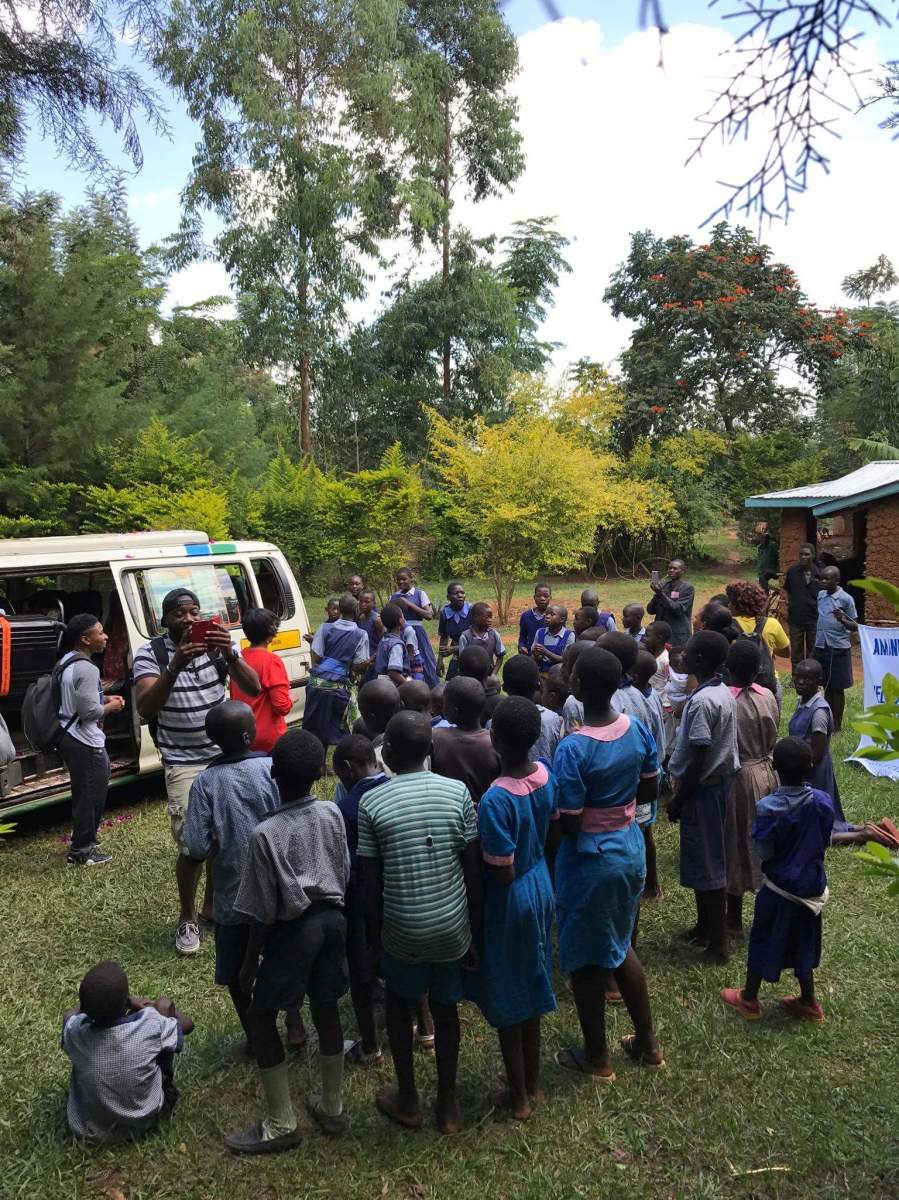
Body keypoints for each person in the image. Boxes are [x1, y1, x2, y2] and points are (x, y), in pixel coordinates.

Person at [226, 730, 351, 1152]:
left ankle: (281, 1124)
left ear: (273, 774)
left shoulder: (265, 833)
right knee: (326, 1006)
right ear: (320, 773)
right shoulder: (332, 812)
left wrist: (249, 963)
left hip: (295, 931)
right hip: (334, 920)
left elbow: (262, 911)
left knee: (261, 1017)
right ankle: (332, 1108)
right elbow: (343, 870)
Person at [358, 711, 481, 1135]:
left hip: (401, 928)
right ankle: (448, 1105)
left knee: (399, 1001)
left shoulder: (372, 802)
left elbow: (371, 884)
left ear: (387, 754)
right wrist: (474, 931)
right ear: (430, 750)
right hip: (452, 927)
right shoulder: (457, 792)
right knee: (446, 1010)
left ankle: (408, 1098)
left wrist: (376, 941)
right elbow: (472, 869)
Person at [552, 649, 664, 1078]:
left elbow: (570, 818)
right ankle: (647, 1044)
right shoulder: (636, 729)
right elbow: (650, 788)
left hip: (590, 858)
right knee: (619, 945)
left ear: (578, 687)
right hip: (629, 846)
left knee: (585, 961)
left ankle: (596, 1057)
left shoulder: (573, 748)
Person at [134, 588, 261, 956]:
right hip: (182, 761)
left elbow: (253, 687)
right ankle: (187, 917)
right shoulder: (150, 654)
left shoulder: (219, 648)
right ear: (164, 620)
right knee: (193, 846)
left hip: (225, 756)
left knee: (224, 836)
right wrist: (174, 665)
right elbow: (145, 708)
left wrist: (230, 654)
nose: (188, 619)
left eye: (193, 612)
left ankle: (211, 907)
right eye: (179, 613)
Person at [182, 701, 305, 1057]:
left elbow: (197, 846)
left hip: (234, 895)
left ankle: (257, 1037)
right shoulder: (271, 767)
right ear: (250, 735)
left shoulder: (205, 782)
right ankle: (295, 1022)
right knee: (282, 955)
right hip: (281, 887)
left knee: (237, 971)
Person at [467, 697, 559, 1120]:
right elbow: (553, 833)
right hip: (540, 883)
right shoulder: (545, 775)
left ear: (495, 740)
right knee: (533, 977)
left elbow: (501, 873)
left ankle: (518, 1096)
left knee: (508, 993)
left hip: (512, 897)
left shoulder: (495, 800)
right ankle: (533, 1083)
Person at [720, 737, 834, 1023]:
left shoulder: (769, 807)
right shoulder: (823, 802)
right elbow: (826, 840)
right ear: (810, 766)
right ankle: (808, 1000)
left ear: (775, 768)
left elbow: (765, 851)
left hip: (779, 889)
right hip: (811, 888)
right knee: (804, 942)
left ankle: (749, 998)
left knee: (762, 938)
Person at [667, 631, 740, 965]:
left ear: (698, 660)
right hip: (714, 787)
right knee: (703, 860)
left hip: (703, 790)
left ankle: (718, 945)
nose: (680, 656)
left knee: (710, 866)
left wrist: (680, 798)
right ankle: (704, 928)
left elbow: (698, 756)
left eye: (686, 653)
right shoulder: (719, 691)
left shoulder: (702, 702)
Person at [61, 961, 193, 1143]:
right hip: (145, 1120)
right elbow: (188, 1025)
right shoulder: (150, 1025)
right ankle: (165, 1085)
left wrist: (87, 1005)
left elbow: (68, 1016)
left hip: (87, 1127)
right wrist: (161, 1009)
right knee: (164, 1005)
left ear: (84, 1009)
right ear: (125, 1003)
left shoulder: (75, 1033)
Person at [332, 734, 388, 1066]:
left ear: (349, 769)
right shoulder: (396, 789)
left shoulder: (347, 808)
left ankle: (370, 1046)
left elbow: (348, 864)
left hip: (362, 901)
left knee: (361, 971)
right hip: (399, 896)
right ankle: (425, 1029)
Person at [57, 614, 126, 868]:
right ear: (86, 639)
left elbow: (76, 698)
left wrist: (104, 699)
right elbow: (89, 713)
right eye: (100, 632)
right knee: (90, 796)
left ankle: (84, 840)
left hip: (69, 736)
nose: (106, 636)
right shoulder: (88, 668)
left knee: (85, 792)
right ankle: (81, 852)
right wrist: (113, 707)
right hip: (84, 740)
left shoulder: (67, 661)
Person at [724, 640, 779, 938]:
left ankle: (733, 918)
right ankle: (768, 913)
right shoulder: (767, 695)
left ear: (727, 668)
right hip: (769, 773)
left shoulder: (726, 701)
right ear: (758, 669)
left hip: (740, 777)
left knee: (737, 843)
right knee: (767, 843)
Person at [303, 593, 369, 749]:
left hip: (317, 683)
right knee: (342, 729)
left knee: (315, 727)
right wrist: (351, 666)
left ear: (339, 610)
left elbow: (317, 656)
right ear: (356, 610)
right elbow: (361, 664)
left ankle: (318, 759)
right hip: (338, 687)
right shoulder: (360, 634)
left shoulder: (325, 628)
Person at [789, 658, 849, 829]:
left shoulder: (819, 712)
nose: (800, 682)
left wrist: (795, 770)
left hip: (813, 772)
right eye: (797, 676)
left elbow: (817, 754)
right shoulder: (803, 701)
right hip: (803, 766)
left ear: (819, 681)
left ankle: (865, 834)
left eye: (807, 679)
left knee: (817, 827)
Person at [231, 608, 293, 753]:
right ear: (271, 633)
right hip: (268, 740)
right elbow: (282, 707)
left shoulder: (238, 659)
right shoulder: (271, 661)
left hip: (244, 736)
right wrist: (291, 699)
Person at [431, 676, 501, 803]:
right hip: (484, 810)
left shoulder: (435, 738)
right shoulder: (495, 743)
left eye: (444, 704)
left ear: (455, 711)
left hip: (447, 809)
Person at [632, 648, 667, 901]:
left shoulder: (637, 699)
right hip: (652, 770)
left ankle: (650, 885)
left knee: (643, 831)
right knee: (645, 829)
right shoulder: (651, 693)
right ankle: (650, 883)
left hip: (644, 775)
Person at [813, 565, 858, 733]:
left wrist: (842, 620)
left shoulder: (846, 599)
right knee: (825, 685)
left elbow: (855, 626)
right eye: (821, 578)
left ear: (837, 580)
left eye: (827, 579)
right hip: (821, 645)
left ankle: (837, 726)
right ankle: (826, 720)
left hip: (838, 648)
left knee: (837, 688)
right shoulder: (821, 595)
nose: (823, 581)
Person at [502, 652, 563, 765]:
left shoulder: (497, 720)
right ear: (538, 686)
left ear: (504, 687)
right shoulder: (552, 719)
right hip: (546, 774)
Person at [390, 567, 439, 688]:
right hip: (399, 633)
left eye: (404, 579)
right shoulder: (394, 597)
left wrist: (408, 603)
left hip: (417, 633)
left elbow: (429, 615)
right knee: (402, 661)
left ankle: (431, 689)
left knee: (424, 660)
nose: (401, 582)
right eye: (398, 580)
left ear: (411, 579)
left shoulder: (419, 594)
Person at [726, 579, 790, 665]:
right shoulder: (772, 624)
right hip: (765, 673)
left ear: (738, 605)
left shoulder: (727, 625)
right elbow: (786, 652)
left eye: (731, 602)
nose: (728, 605)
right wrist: (768, 648)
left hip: (736, 672)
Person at [783, 544, 821, 668]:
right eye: (801, 554)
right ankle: (796, 676)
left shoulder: (819, 573)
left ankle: (812, 676)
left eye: (807, 554)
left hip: (814, 619)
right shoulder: (792, 572)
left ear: (813, 555)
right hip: (796, 619)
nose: (803, 557)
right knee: (796, 653)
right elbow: (788, 592)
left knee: (813, 652)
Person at [647, 559, 695, 648]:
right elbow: (650, 610)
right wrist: (657, 594)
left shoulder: (687, 588)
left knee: (675, 655)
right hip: (660, 633)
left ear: (683, 571)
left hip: (677, 634)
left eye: (675, 568)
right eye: (669, 568)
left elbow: (677, 609)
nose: (671, 570)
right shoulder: (664, 585)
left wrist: (660, 594)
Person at [457, 601, 506, 674]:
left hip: (488, 675)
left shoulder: (494, 634)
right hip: (471, 676)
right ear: (475, 617)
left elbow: (500, 656)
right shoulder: (465, 637)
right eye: (487, 617)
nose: (490, 620)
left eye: (491, 617)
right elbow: (462, 661)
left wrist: (493, 674)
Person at [437, 582, 472, 680]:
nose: (460, 595)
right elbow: (444, 637)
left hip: (473, 655)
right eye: (456, 593)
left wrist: (454, 649)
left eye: (462, 593)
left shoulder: (472, 611)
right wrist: (440, 660)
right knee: (451, 683)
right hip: (457, 657)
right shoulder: (445, 613)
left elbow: (477, 639)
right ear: (448, 597)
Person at [375, 602, 410, 688]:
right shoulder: (396, 645)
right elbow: (393, 672)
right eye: (403, 616)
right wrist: (408, 686)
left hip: (379, 682)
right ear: (401, 621)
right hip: (392, 685)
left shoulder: (384, 640)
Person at [532, 604, 574, 674]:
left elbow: (566, 660)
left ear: (562, 619)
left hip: (559, 675)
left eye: (552, 614)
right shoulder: (540, 632)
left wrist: (546, 652)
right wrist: (536, 655)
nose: (547, 616)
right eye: (546, 614)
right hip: (541, 673)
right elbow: (534, 657)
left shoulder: (569, 635)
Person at [356, 588, 383, 682]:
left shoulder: (377, 620)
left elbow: (382, 643)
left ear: (373, 603)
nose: (363, 604)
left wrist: (370, 660)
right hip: (362, 660)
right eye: (361, 601)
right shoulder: (360, 617)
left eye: (367, 602)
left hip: (373, 662)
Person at [518, 584, 552, 656]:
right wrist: (521, 646)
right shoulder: (526, 616)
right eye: (538, 596)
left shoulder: (555, 616)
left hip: (550, 655)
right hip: (530, 654)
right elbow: (522, 638)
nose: (542, 599)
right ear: (534, 597)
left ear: (550, 598)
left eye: (546, 596)